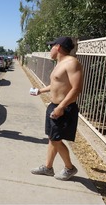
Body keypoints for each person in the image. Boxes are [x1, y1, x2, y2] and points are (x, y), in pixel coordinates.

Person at [30, 37, 83, 181]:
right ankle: (48, 167)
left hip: (64, 109)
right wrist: (40, 91)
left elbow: (76, 88)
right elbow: (55, 85)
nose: (50, 50)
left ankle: (69, 168)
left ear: (58, 47)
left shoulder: (72, 63)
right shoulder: (59, 63)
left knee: (56, 140)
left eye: (51, 46)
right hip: (54, 107)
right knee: (52, 138)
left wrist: (61, 107)